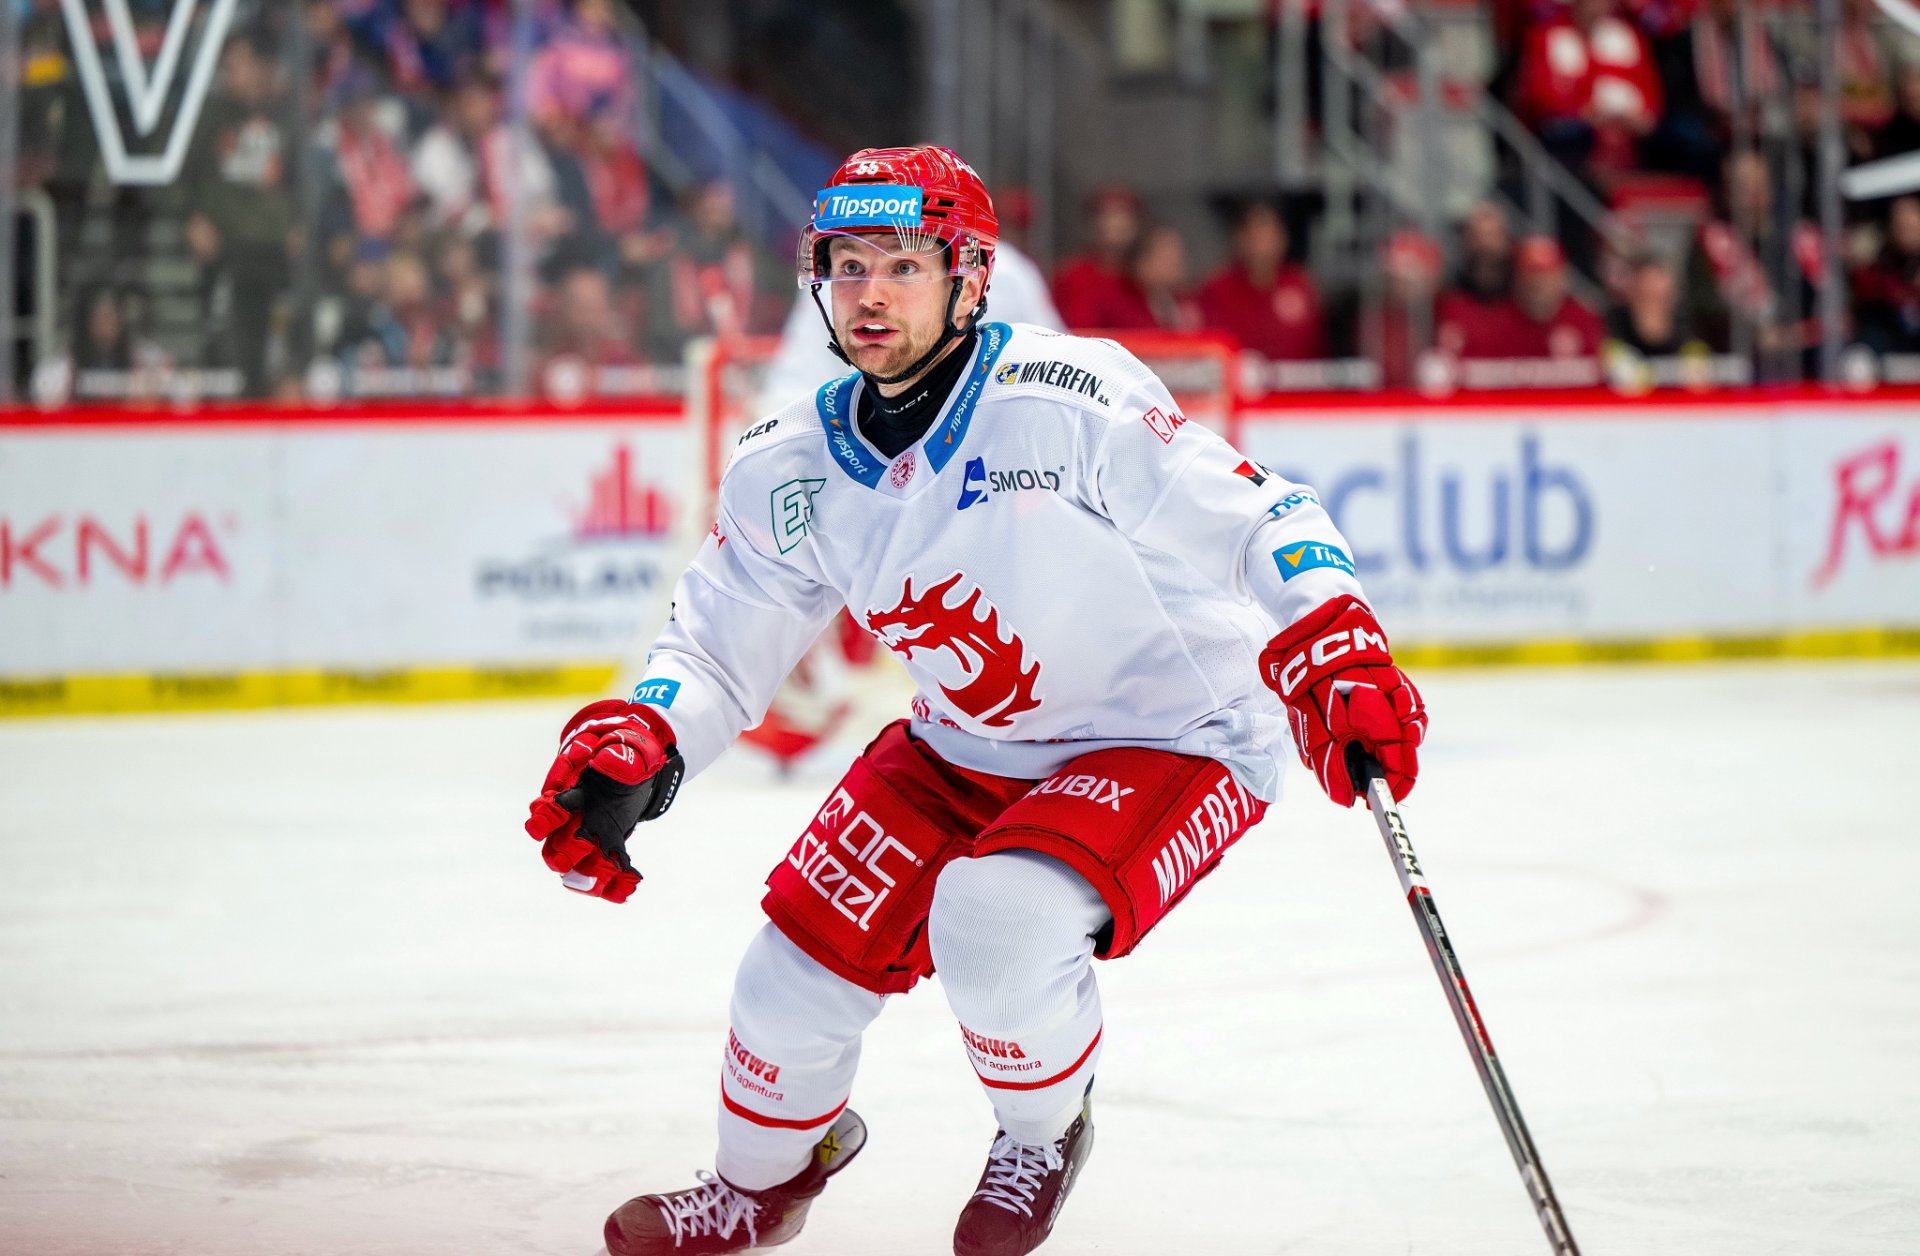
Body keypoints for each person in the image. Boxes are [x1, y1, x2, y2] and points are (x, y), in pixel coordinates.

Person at [520, 146, 1427, 1256]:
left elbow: (1261, 516)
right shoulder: (788, 462)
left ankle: (1043, 1132)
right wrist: (647, 734)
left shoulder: (1068, 397)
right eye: (849, 266)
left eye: (903, 265)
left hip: (1169, 734)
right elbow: (718, 639)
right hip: (967, 739)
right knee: (787, 974)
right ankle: (759, 1185)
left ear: (969, 278)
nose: (870, 294)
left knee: (995, 918)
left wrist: (1335, 642)